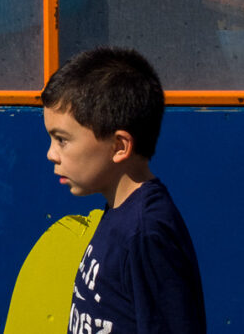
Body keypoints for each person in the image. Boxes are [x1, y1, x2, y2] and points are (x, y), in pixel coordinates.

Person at [41, 47, 205, 334]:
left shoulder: (146, 233)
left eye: (62, 140)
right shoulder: (119, 213)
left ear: (119, 146)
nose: (51, 154)